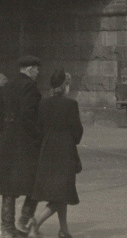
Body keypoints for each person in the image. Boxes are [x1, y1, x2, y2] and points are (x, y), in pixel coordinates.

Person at [28, 70, 83, 238]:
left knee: (60, 192)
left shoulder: (43, 104)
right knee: (62, 193)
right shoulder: (71, 105)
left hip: (47, 152)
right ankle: (35, 222)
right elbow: (77, 133)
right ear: (65, 85)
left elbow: (38, 129)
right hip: (65, 154)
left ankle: (64, 230)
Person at [0, 55, 42, 238]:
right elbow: (32, 116)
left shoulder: (7, 86)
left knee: (8, 188)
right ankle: (24, 222)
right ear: (30, 70)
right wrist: (37, 136)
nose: (38, 73)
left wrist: (6, 128)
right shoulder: (30, 87)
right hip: (26, 144)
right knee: (34, 183)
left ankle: (7, 228)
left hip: (7, 142)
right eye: (37, 70)